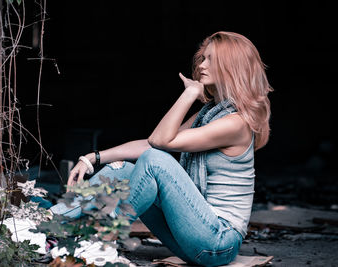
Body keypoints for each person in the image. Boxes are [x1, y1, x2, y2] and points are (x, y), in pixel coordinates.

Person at [64, 31, 272, 267]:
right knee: (121, 171)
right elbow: (151, 142)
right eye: (203, 58)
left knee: (155, 160)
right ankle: (46, 223)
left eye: (211, 59)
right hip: (192, 235)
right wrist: (93, 158)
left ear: (231, 66)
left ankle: (103, 239)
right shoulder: (209, 114)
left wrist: (190, 93)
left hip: (218, 243)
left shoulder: (236, 123)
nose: (202, 65)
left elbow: (160, 143)